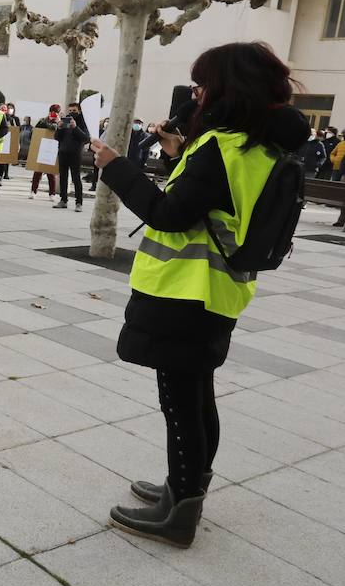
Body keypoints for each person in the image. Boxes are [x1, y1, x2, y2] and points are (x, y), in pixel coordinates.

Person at [90, 41, 309, 547]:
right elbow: (208, 199)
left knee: (180, 401)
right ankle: (184, 486)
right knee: (197, 392)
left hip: (185, 292)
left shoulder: (221, 146)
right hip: (219, 291)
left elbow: (169, 214)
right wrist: (176, 154)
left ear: (227, 89)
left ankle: (180, 511)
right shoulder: (257, 145)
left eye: (204, 84)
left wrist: (115, 167)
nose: (198, 93)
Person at [52, 112, 89, 211]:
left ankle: (79, 203)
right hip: (63, 153)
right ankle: (63, 200)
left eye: (74, 110)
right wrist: (59, 128)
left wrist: (75, 127)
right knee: (63, 177)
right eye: (70, 110)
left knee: (76, 178)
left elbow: (86, 138)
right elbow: (56, 137)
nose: (71, 112)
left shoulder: (82, 123)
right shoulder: (65, 123)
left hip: (75, 155)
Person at [29, 105, 60, 200]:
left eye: (56, 111)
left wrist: (58, 122)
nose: (54, 113)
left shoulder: (61, 122)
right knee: (37, 171)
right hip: (42, 147)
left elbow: (57, 129)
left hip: (53, 149)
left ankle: (52, 193)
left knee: (51, 173)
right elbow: (35, 132)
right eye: (53, 111)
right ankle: (33, 191)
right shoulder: (42, 120)